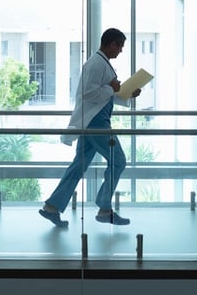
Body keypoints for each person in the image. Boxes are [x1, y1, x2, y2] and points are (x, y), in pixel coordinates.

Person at [39, 28, 141, 227]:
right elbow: (88, 94)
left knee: (80, 165)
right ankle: (104, 208)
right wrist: (112, 87)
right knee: (118, 160)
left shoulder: (102, 63)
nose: (120, 51)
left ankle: (52, 207)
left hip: (95, 119)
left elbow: (104, 94)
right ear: (112, 44)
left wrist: (126, 93)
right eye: (119, 47)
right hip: (96, 122)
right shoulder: (96, 64)